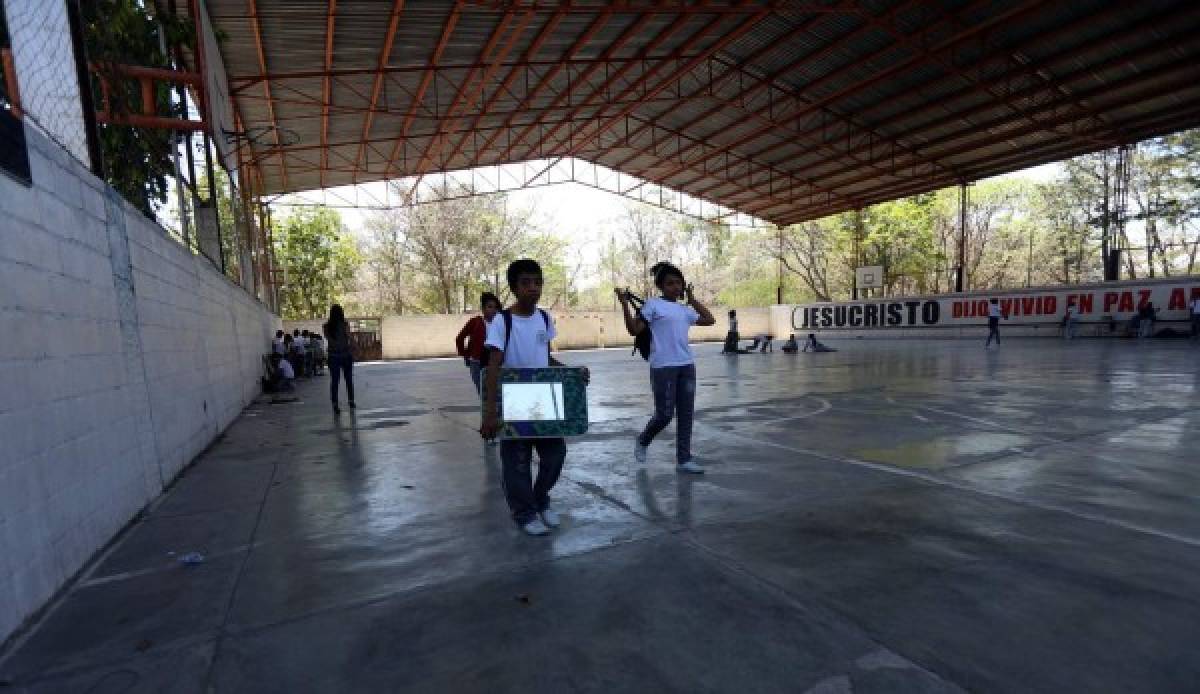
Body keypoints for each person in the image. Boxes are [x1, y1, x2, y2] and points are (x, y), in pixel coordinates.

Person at [481, 259, 590, 537]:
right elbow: (493, 366)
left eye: (538, 282)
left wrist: (571, 372)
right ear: (514, 287)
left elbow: (546, 358)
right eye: (526, 283)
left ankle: (540, 499)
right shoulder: (502, 322)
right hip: (514, 399)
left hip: (543, 398)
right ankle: (525, 513)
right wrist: (490, 412)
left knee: (555, 455)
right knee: (517, 462)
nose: (533, 288)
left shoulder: (543, 318)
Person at [617, 261, 715, 475]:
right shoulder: (652, 305)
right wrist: (624, 304)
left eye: (679, 283)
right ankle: (643, 440)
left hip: (686, 365)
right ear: (660, 286)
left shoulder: (684, 309)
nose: (676, 287)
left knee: (686, 415)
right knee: (664, 415)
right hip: (663, 366)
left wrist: (693, 299)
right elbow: (634, 330)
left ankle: (684, 459)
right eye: (670, 283)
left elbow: (710, 319)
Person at [456, 292, 501, 395]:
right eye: (490, 307)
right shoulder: (475, 322)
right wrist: (465, 355)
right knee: (482, 392)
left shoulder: (500, 323)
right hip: (477, 362)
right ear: (483, 309)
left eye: (495, 308)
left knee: (495, 392)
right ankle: (486, 411)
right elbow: (460, 338)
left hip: (495, 361)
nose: (493, 310)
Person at [324, 304, 355, 414]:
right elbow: (349, 338)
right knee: (349, 379)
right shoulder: (345, 324)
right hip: (346, 354)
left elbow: (329, 340)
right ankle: (351, 401)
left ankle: (335, 404)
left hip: (333, 356)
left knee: (335, 381)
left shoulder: (326, 326)